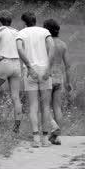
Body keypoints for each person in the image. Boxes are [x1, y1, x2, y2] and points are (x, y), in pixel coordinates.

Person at [16, 11, 57, 147]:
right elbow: (52, 46)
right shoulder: (45, 31)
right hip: (44, 70)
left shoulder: (21, 33)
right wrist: (48, 67)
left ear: (24, 22)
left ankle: (36, 139)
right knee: (46, 106)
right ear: (35, 20)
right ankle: (45, 139)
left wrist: (28, 66)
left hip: (30, 71)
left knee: (33, 106)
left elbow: (20, 49)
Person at [0, 10, 23, 132]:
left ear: (0, 20)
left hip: (5, 63)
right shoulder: (17, 31)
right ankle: (17, 126)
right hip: (17, 64)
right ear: (11, 20)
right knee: (15, 96)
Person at [43, 18, 72, 144]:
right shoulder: (63, 44)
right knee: (57, 107)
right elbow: (68, 66)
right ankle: (56, 137)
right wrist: (68, 82)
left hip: (48, 77)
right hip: (59, 78)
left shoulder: (45, 44)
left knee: (43, 106)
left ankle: (53, 128)